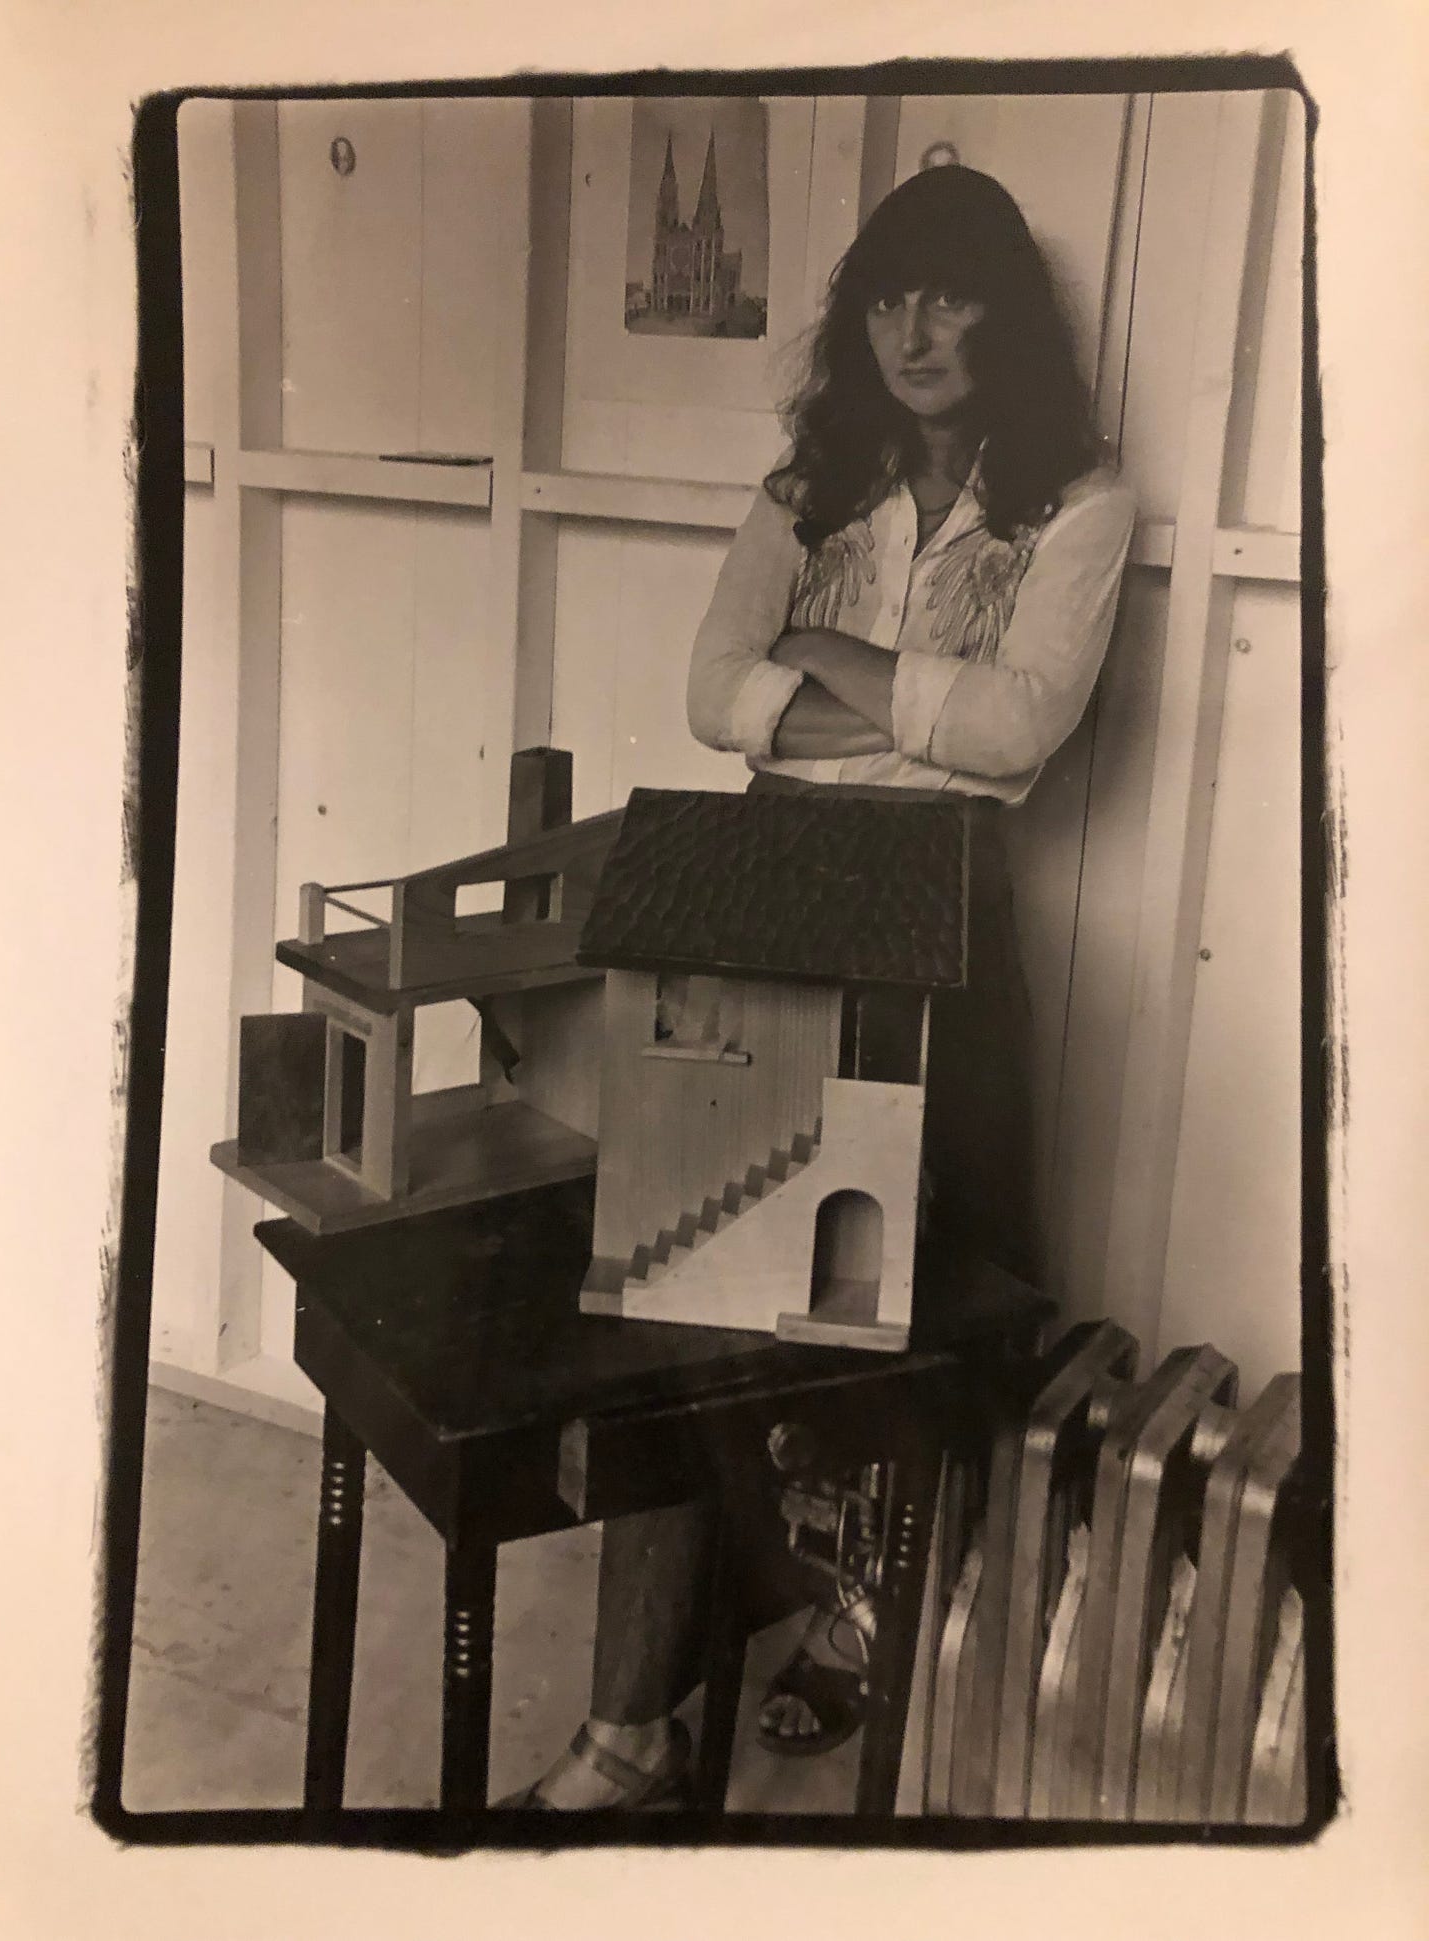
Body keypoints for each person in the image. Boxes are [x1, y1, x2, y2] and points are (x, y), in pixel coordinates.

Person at [509, 163, 1135, 1809]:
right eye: (886, 298)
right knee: (691, 1273)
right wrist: (907, 702)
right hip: (768, 888)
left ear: (1007, 314)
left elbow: (1021, 740)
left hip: (938, 910)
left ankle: (862, 1620)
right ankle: (633, 1721)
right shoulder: (807, 487)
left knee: (904, 1301)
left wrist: (834, 669)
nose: (914, 330)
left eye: (949, 295)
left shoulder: (1078, 500)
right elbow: (718, 695)